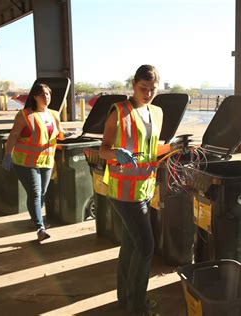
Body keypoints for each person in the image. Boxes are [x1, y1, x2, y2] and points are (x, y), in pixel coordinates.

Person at [99, 65, 163, 316]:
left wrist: (176, 147)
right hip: (123, 191)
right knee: (146, 246)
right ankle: (138, 305)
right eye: (143, 89)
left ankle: (125, 297)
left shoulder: (156, 113)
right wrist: (116, 153)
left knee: (130, 244)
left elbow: (152, 148)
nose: (147, 94)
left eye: (152, 90)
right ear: (133, 85)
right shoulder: (119, 112)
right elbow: (103, 149)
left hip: (145, 188)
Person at [2, 83, 69, 242]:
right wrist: (7, 154)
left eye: (48, 94)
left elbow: (60, 135)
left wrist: (68, 136)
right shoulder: (25, 115)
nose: (46, 97)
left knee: (42, 193)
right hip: (25, 163)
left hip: (46, 161)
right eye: (42, 94)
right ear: (35, 97)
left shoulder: (54, 114)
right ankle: (40, 227)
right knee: (35, 193)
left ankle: (36, 220)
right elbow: (13, 136)